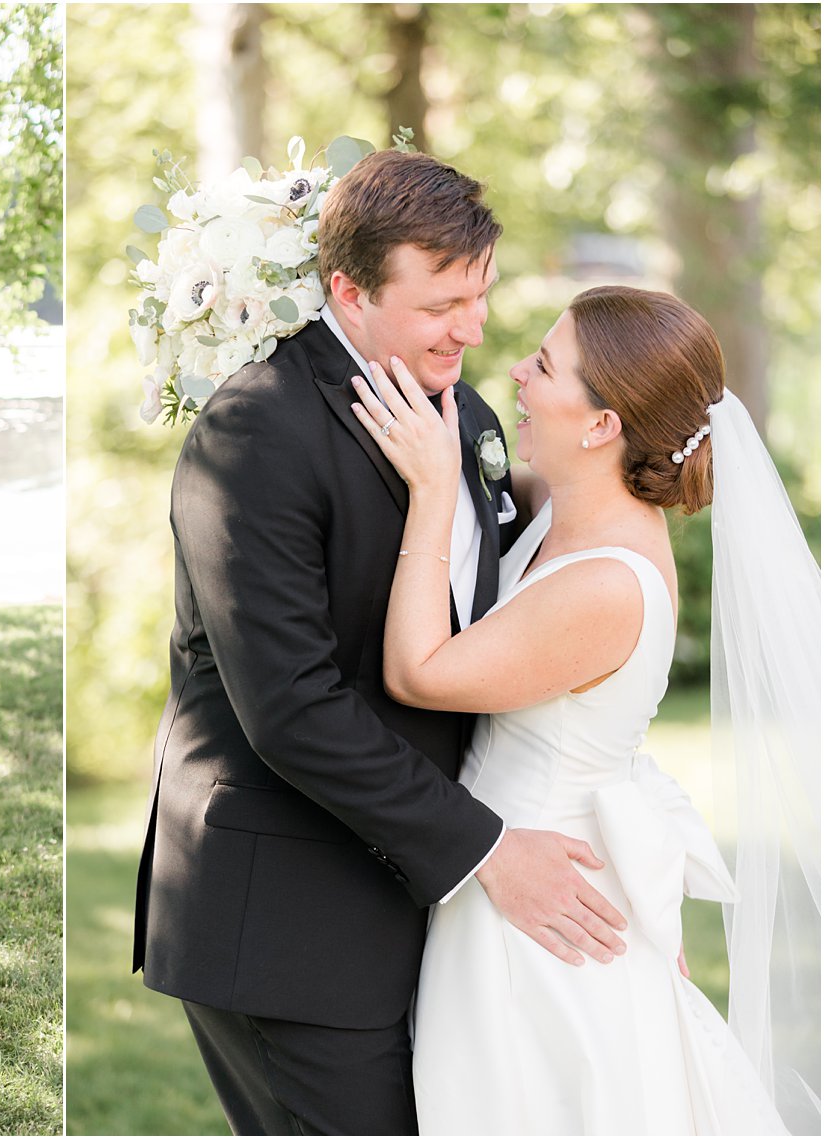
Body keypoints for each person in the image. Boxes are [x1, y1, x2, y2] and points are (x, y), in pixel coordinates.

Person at [133, 149, 634, 1136]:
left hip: (412, 909)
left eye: (479, 295)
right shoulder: (254, 433)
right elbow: (290, 705)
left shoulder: (472, 415)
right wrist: (484, 847)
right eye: (441, 303)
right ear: (346, 291)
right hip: (286, 917)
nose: (472, 327)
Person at [350, 286, 816, 1134]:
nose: (517, 375)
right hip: (527, 873)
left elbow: (419, 671)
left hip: (540, 912)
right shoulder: (567, 509)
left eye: (546, 364)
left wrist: (429, 491)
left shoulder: (608, 582)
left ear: (603, 426)